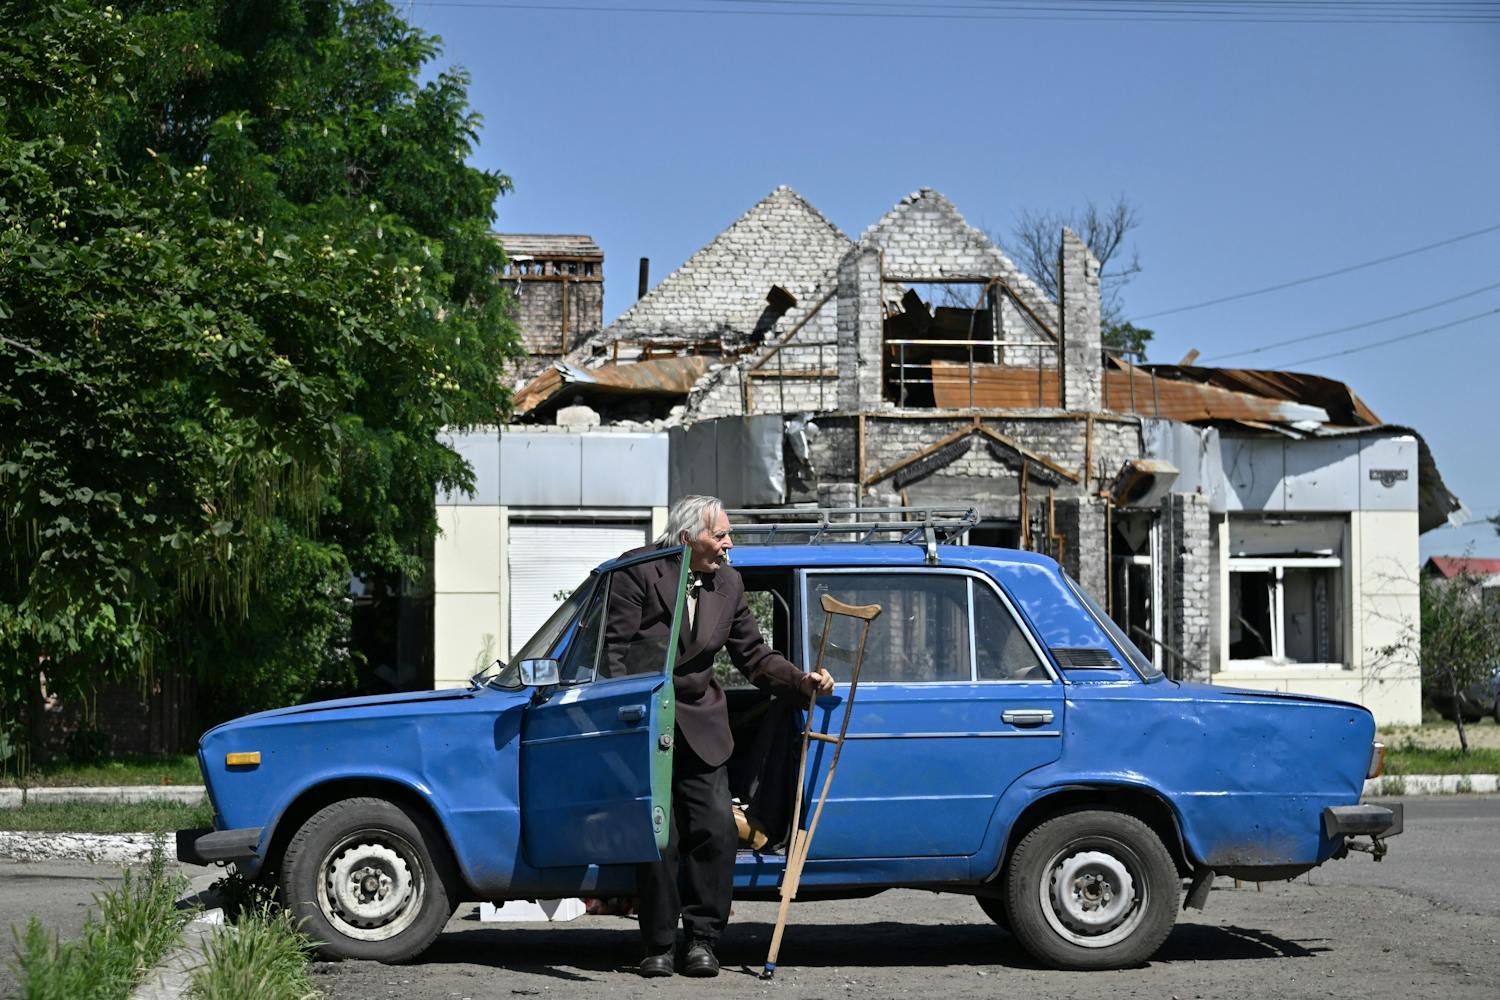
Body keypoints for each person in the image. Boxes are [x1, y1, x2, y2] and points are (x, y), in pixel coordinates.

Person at [602, 495, 833, 978]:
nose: (729, 545)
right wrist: (624, 720)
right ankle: (659, 945)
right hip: (646, 727)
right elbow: (613, 654)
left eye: (728, 535)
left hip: (702, 725)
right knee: (658, 836)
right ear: (688, 539)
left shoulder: (728, 582)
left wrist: (801, 682)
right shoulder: (637, 572)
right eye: (721, 535)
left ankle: (703, 941)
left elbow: (753, 655)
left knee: (716, 829)